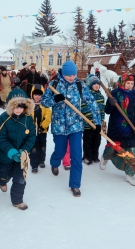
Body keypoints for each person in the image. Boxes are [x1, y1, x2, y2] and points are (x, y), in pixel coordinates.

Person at [41, 60, 101, 197]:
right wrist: (55, 99)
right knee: (60, 151)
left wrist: (97, 122)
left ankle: (75, 184)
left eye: (74, 75)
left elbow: (91, 102)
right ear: (63, 73)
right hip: (59, 126)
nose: (71, 78)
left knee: (76, 154)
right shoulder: (54, 84)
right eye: (69, 75)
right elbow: (44, 102)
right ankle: (54, 162)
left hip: (76, 126)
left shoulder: (80, 85)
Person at [0, 87, 36, 210]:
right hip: (6, 154)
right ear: (10, 106)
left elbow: (31, 136)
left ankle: (17, 200)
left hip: (21, 155)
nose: (18, 110)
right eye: (15, 106)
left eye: (21, 107)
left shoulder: (28, 119)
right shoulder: (3, 119)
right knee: (4, 174)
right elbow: (1, 137)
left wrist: (23, 150)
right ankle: (2, 181)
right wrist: (10, 151)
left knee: (20, 178)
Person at [100, 73, 135, 186]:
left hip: (131, 130)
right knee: (112, 149)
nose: (130, 86)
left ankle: (129, 175)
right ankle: (105, 158)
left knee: (131, 153)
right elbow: (107, 111)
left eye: (132, 83)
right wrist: (111, 103)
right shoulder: (114, 93)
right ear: (123, 82)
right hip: (116, 129)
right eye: (128, 83)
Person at [81, 75, 105, 165]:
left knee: (97, 141)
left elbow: (102, 110)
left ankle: (95, 156)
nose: (96, 86)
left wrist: (101, 120)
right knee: (87, 141)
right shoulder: (86, 95)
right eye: (94, 84)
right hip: (88, 124)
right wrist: (90, 121)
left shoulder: (101, 97)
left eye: (97, 84)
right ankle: (87, 156)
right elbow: (84, 109)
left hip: (98, 124)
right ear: (90, 85)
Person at [30, 84, 51, 173]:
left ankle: (41, 160)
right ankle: (34, 164)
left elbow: (48, 117)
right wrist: (32, 126)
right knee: (33, 146)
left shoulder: (45, 105)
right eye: (35, 95)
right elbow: (27, 116)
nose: (37, 97)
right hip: (32, 130)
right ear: (32, 95)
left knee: (42, 145)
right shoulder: (29, 105)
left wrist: (42, 127)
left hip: (42, 130)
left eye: (39, 95)